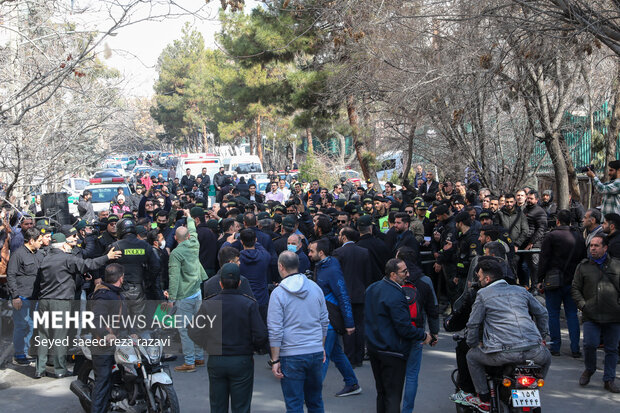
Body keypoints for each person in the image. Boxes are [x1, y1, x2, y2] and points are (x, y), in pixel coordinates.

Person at [465, 259, 551, 412]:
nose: (478, 280)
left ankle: (483, 398)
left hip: (503, 353)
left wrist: (472, 343)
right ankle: (534, 391)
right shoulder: (521, 290)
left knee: (471, 356)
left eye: (479, 277)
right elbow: (542, 313)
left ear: (487, 279)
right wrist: (542, 337)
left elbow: (473, 324)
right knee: (547, 357)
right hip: (534, 351)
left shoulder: (483, 294)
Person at [35, 232, 120, 378]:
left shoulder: (45, 258)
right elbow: (89, 264)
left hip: (44, 301)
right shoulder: (67, 258)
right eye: (67, 244)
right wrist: (107, 257)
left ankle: (39, 369)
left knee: (43, 336)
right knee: (59, 336)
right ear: (62, 245)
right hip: (60, 302)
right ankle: (60, 370)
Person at [198, 263, 268, 413]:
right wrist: (252, 347)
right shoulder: (248, 303)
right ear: (240, 283)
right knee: (241, 406)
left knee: (217, 406)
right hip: (241, 358)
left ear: (220, 283)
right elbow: (261, 334)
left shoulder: (209, 303)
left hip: (217, 358)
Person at [365, 258, 431, 413]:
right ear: (393, 274)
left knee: (382, 393)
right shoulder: (396, 294)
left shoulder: (372, 288)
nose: (407, 275)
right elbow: (403, 327)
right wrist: (423, 335)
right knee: (393, 396)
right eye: (404, 272)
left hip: (375, 348)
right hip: (392, 351)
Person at [268, 251, 329, 413]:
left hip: (291, 353)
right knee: (315, 401)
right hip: (315, 350)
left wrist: (275, 359)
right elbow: (324, 321)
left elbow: (275, 329)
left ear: (281, 267)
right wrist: (321, 345)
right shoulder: (315, 288)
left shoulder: (278, 293)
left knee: (294, 404)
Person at [308, 239, 362, 397]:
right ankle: (352, 383)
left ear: (321, 253)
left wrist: (349, 323)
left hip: (329, 322)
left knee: (322, 356)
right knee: (337, 354)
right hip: (326, 319)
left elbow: (343, 296)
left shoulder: (331, 269)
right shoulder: (324, 266)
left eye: (311, 251)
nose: (309, 254)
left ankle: (313, 394)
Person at [571, 234, 620, 393]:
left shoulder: (616, 266)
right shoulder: (583, 266)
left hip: (614, 316)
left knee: (611, 349)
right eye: (591, 245)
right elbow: (575, 289)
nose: (592, 248)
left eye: (596, 246)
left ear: (605, 248)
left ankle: (609, 379)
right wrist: (583, 306)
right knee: (589, 344)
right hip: (591, 315)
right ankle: (589, 369)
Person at [536, 209, 586, 357]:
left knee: (553, 314)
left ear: (557, 221)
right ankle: (575, 348)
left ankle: (555, 346)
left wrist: (540, 279)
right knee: (572, 314)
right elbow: (583, 259)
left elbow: (543, 259)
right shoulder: (578, 237)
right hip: (573, 281)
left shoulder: (551, 236)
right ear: (570, 221)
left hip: (553, 281)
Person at [396, 247, 439, 413]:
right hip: (417, 332)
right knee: (412, 375)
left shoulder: (393, 279)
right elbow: (433, 309)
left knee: (394, 374)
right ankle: (407, 410)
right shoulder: (425, 280)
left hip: (396, 332)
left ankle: (392, 406)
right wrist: (434, 334)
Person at [167, 209, 207, 372]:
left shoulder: (176, 253)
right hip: (197, 290)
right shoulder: (194, 244)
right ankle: (199, 358)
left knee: (185, 330)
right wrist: (189, 216)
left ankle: (189, 362)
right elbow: (193, 229)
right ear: (188, 237)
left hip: (184, 295)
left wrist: (171, 299)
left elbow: (174, 278)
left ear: (176, 239)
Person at [333, 226, 373, 367]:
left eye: (339, 235)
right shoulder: (364, 252)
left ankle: (349, 358)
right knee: (360, 325)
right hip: (360, 293)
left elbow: (336, 276)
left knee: (347, 326)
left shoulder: (338, 252)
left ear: (344, 237)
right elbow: (368, 275)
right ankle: (359, 356)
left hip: (345, 295)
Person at [90, 263, 127, 413]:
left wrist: (133, 332)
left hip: (119, 341)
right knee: (103, 381)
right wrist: (106, 335)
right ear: (121, 278)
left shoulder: (117, 294)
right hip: (103, 344)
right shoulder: (104, 296)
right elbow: (95, 319)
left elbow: (124, 319)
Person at [109, 218, 160, 317]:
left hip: (120, 288)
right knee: (137, 320)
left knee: (121, 319)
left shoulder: (115, 246)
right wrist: (148, 280)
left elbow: (105, 267)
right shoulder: (145, 246)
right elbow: (156, 266)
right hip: (139, 287)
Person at [6, 227, 42, 365]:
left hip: (35, 297)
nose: (41, 243)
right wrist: (15, 296)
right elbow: (11, 276)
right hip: (22, 297)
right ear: (31, 240)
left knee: (32, 325)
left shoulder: (38, 254)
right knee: (22, 325)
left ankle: (26, 352)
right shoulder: (18, 254)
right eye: (39, 240)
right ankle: (19, 354)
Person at [238, 228, 272, 321]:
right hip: (262, 299)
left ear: (241, 242)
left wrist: (228, 243)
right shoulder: (264, 256)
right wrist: (254, 241)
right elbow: (264, 250)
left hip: (244, 299)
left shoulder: (238, 259)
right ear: (256, 240)